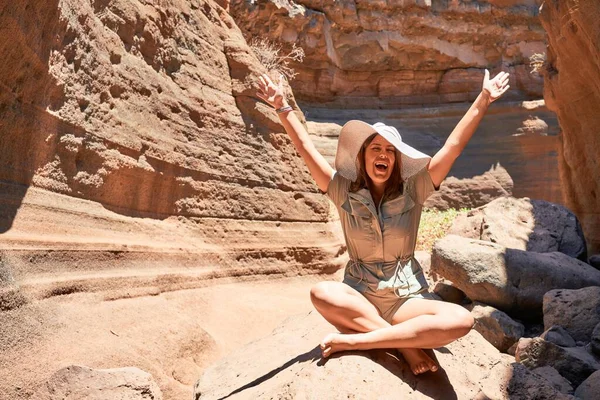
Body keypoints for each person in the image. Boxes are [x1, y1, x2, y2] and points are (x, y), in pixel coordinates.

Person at [257, 70, 510, 375]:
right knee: (321, 293)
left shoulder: (415, 189)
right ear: (362, 157)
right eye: (376, 148)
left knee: (462, 320)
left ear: (397, 161)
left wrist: (483, 98)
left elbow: (452, 147)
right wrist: (282, 107)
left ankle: (359, 340)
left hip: (406, 300)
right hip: (360, 294)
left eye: (390, 151)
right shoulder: (341, 190)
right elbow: (306, 149)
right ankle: (405, 347)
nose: (384, 155)